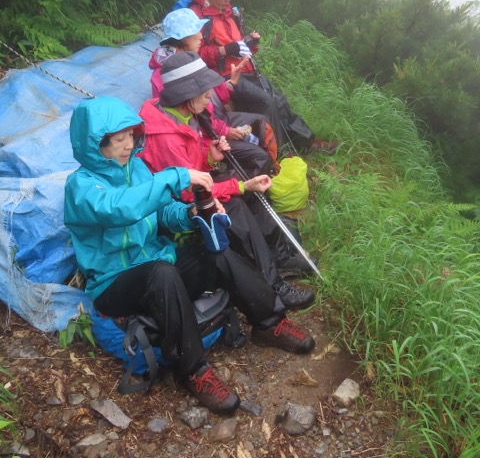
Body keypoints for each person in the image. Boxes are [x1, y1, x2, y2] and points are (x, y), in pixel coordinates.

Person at [63, 96, 315, 415]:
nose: (127, 145)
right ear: (94, 144)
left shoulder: (136, 168)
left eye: (130, 136)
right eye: (117, 140)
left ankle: (268, 321)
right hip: (113, 284)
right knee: (161, 272)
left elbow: (162, 211)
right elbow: (119, 208)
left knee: (214, 252)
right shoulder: (80, 186)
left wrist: (192, 213)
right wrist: (178, 176)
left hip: (156, 266)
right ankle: (193, 371)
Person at [138, 51, 316, 306]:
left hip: (193, 188)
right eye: (204, 92)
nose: (210, 96)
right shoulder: (165, 137)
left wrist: (210, 159)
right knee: (236, 205)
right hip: (176, 208)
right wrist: (240, 186)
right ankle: (273, 285)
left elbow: (194, 167)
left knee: (245, 185)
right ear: (187, 96)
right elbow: (190, 193)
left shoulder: (184, 115)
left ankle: (279, 256)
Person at [176, 0, 340, 156]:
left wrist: (250, 44)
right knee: (267, 102)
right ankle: (278, 152)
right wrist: (224, 50)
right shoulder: (197, 15)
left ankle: (308, 143)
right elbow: (193, 53)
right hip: (224, 76)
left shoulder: (228, 12)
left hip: (246, 69)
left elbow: (239, 45)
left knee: (280, 100)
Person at [149, 8, 279, 176]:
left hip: (214, 120)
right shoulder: (168, 76)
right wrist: (225, 131)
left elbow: (208, 100)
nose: (201, 37)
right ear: (181, 38)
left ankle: (265, 168)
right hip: (205, 137)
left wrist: (230, 83)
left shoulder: (191, 59)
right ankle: (242, 188)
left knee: (261, 120)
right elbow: (194, 118)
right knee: (259, 158)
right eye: (195, 33)